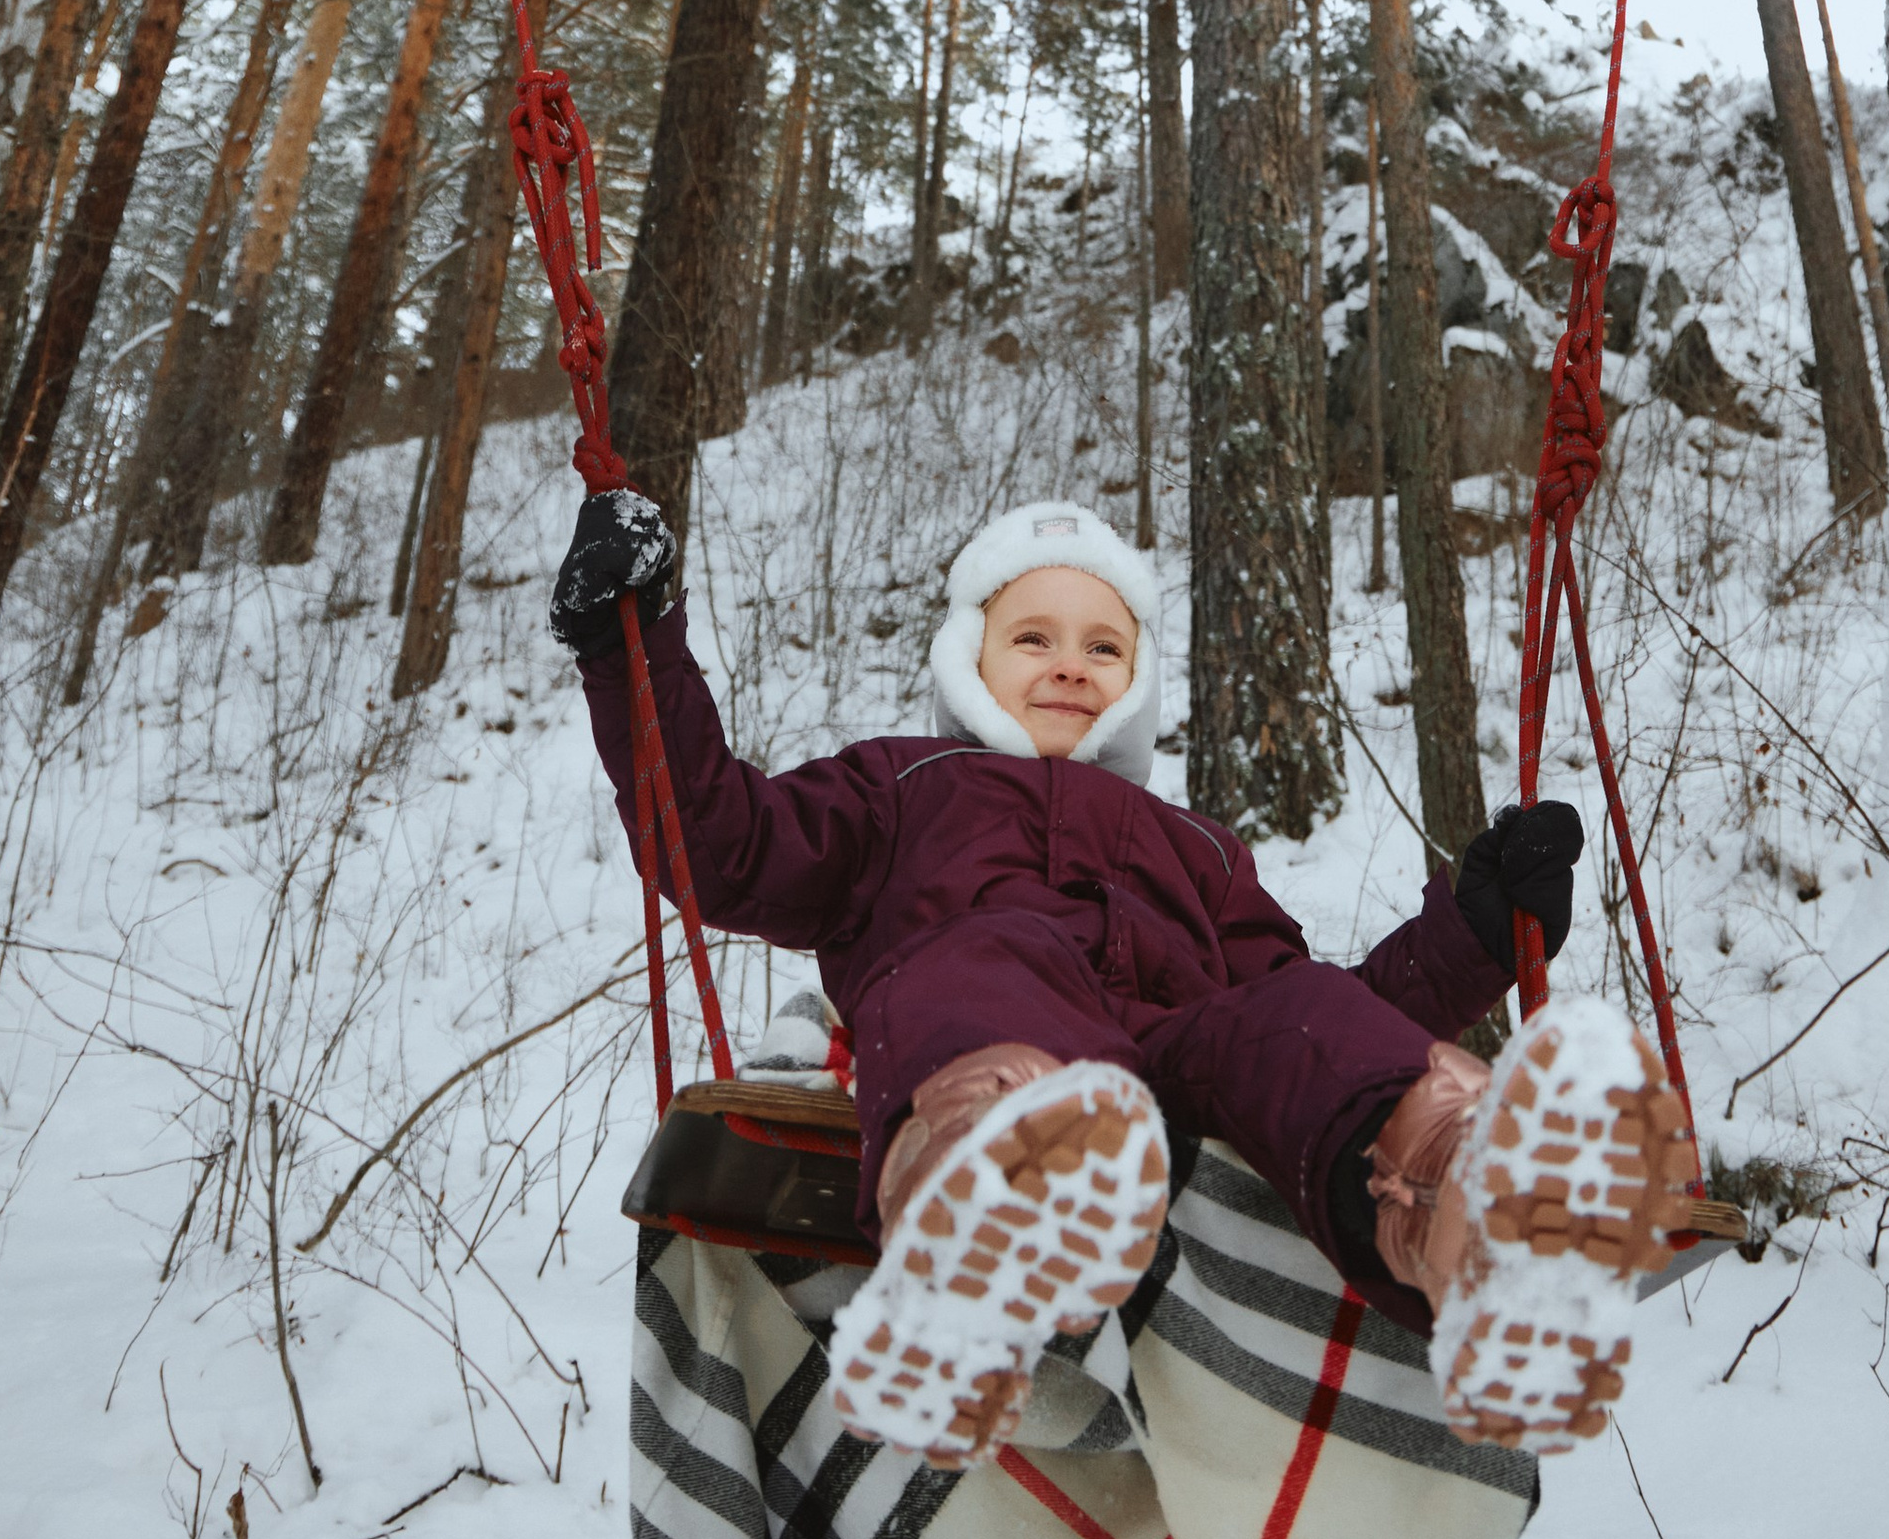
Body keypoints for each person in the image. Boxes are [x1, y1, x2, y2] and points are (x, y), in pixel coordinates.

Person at [553, 488, 1690, 1471]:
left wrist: (1475, 934)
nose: (1068, 665)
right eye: (1032, 637)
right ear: (971, 660)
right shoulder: (902, 789)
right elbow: (721, 843)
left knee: (1290, 1017)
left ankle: (1463, 1198)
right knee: (986, 958)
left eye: (1104, 648)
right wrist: (631, 647)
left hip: (1175, 1072)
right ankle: (990, 1180)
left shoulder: (1194, 846)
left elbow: (1309, 1016)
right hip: (989, 1036)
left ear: (1137, 684)